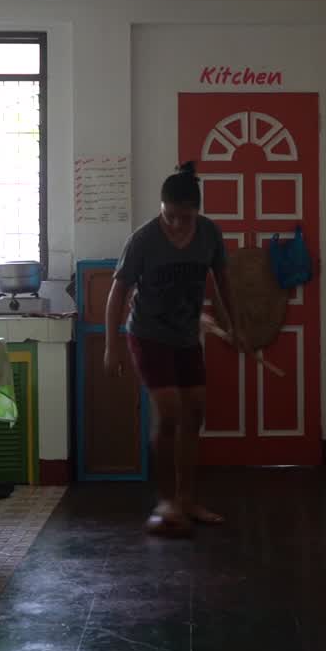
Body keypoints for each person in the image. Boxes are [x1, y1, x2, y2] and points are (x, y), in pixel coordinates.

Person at [104, 161, 245, 537]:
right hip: (148, 335)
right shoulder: (144, 239)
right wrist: (111, 347)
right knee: (169, 414)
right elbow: (117, 293)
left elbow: (223, 281)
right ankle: (165, 501)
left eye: (185, 217)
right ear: (161, 208)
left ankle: (187, 499)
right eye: (170, 216)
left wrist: (234, 324)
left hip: (185, 336)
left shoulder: (209, 234)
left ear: (196, 211)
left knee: (195, 411)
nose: (178, 224)